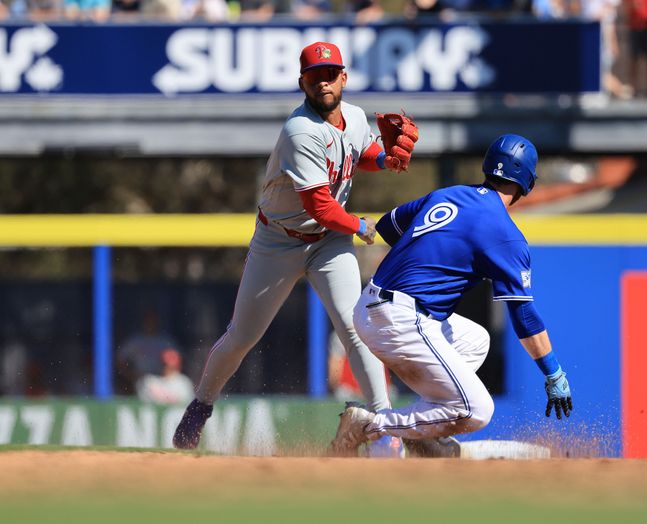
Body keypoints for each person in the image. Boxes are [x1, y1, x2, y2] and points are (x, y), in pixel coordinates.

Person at [173, 41, 415, 449]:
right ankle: (201, 405)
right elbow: (321, 206)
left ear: (344, 77)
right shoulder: (299, 130)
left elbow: (363, 152)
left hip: (328, 243)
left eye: (330, 73)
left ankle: (384, 423)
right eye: (314, 76)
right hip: (279, 240)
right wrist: (362, 225)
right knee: (242, 336)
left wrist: (386, 160)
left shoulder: (354, 117)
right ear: (302, 82)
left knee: (356, 327)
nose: (323, 82)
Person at [329, 134, 574, 457]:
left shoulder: (448, 194)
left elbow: (388, 227)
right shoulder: (506, 236)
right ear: (527, 181)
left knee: (475, 341)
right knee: (477, 410)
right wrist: (553, 372)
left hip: (371, 305)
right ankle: (370, 424)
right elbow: (523, 315)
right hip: (402, 319)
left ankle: (424, 434)